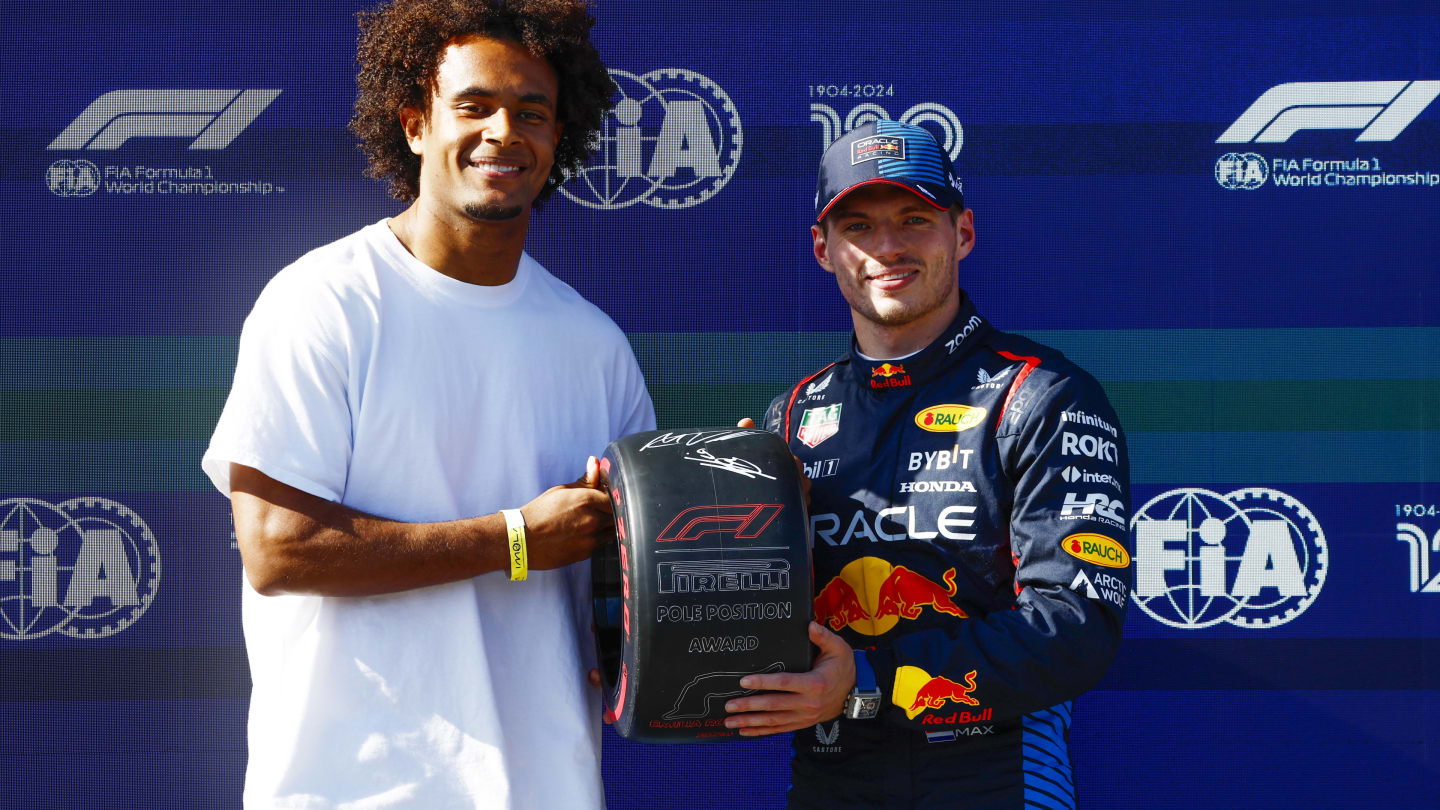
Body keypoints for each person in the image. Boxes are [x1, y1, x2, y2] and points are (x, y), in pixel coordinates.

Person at [201, 1, 653, 807]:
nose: (503, 132)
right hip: (356, 790)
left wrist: (744, 509)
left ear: (559, 138)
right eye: (474, 106)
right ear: (415, 125)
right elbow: (278, 548)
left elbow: (638, 574)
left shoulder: (595, 345)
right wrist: (514, 538)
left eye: (532, 113)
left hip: (549, 787)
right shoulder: (323, 302)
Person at [725, 120, 1133, 809]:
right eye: (858, 227)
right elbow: (762, 623)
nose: (887, 248)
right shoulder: (789, 419)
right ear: (824, 249)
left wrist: (865, 680)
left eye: (914, 219)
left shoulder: (1041, 394)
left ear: (962, 233)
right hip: (833, 781)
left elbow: (1076, 627)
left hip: (996, 778)